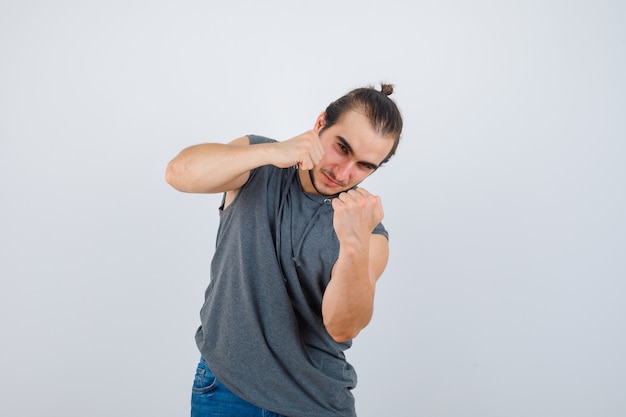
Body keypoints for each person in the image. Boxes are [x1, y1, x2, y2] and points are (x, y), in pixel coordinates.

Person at [165, 83, 403, 417]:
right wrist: (269, 153)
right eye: (342, 148)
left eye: (365, 166)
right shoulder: (257, 162)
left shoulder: (368, 231)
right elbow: (178, 174)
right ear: (320, 123)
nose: (344, 173)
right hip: (225, 391)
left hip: (315, 403)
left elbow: (343, 327)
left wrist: (353, 244)